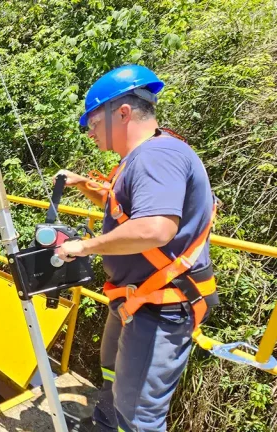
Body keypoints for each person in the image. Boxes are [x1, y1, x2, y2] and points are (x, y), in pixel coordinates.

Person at [54, 64, 218, 432]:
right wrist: (84, 185)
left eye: (93, 124)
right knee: (113, 373)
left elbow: (155, 228)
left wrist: (85, 246)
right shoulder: (144, 157)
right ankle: (105, 422)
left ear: (122, 112)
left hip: (161, 307)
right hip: (136, 299)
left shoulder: (155, 157)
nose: (90, 134)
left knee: (139, 414)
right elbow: (124, 209)